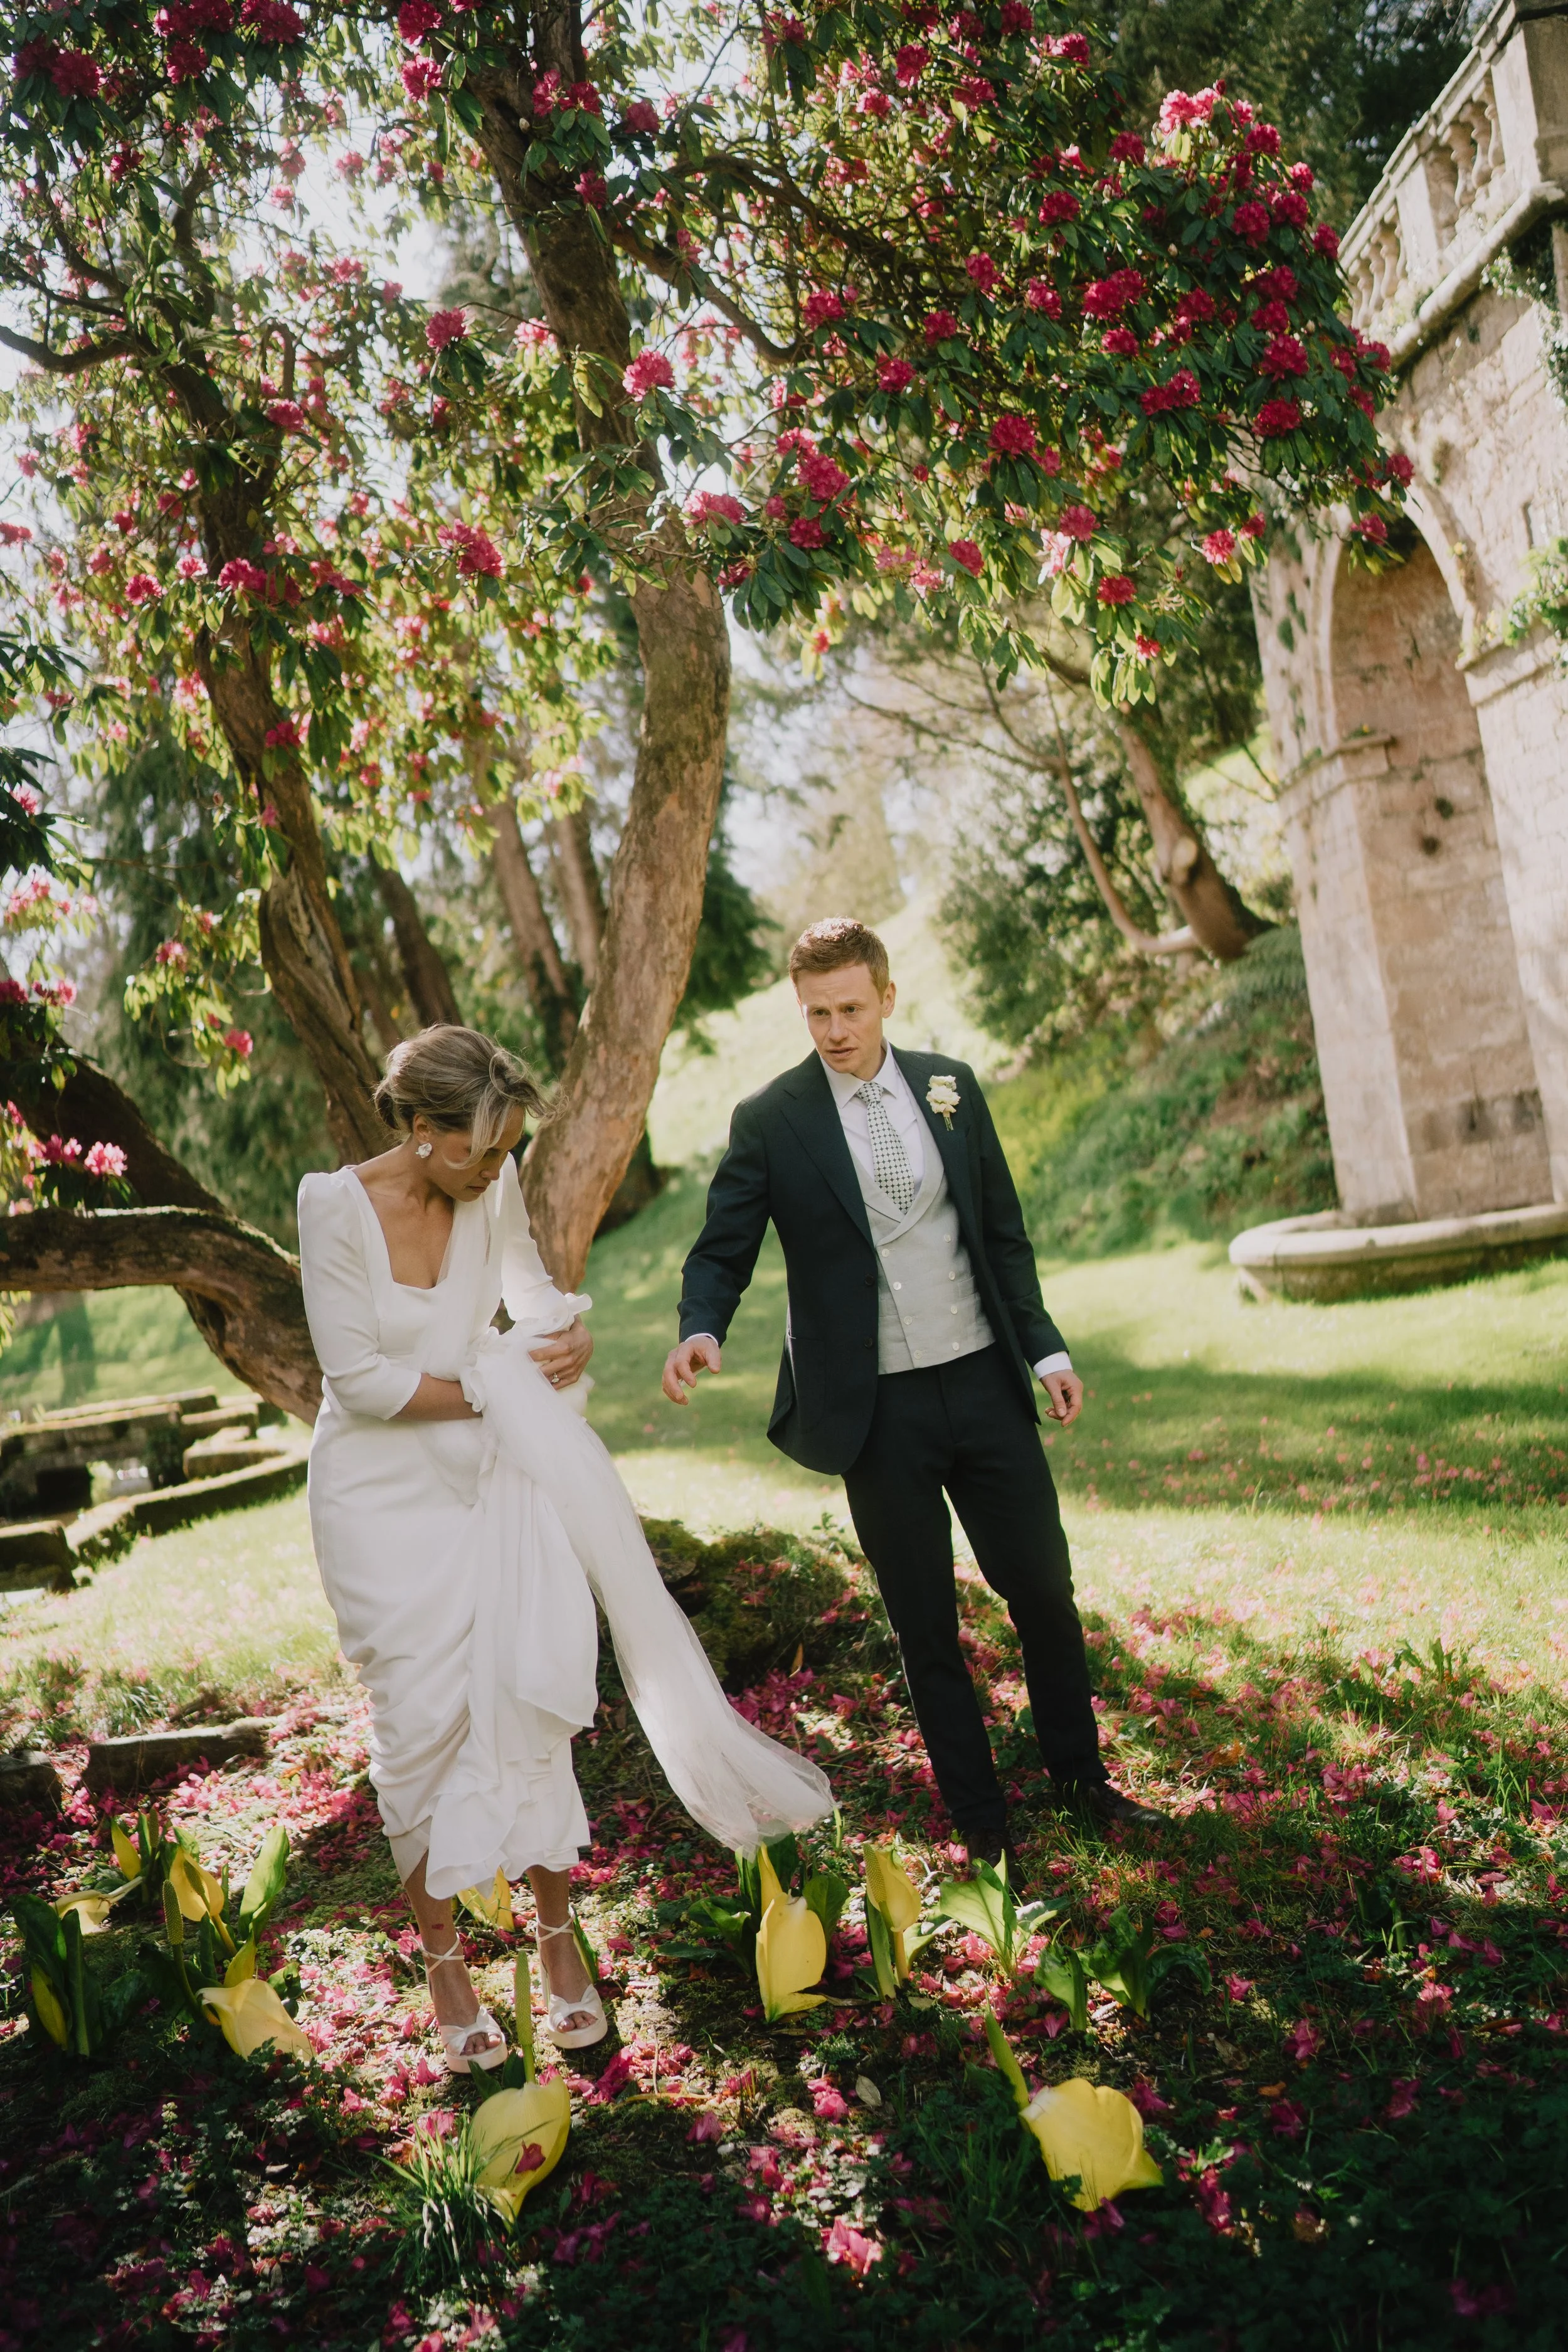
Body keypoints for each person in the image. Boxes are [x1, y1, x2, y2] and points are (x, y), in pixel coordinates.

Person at [299, 1025, 832, 2076]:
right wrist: (496, 1387)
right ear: (420, 1130)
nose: (501, 1172)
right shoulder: (334, 1206)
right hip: (378, 1500)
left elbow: (531, 1291)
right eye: (483, 1152)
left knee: (527, 1695)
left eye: (509, 1153)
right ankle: (446, 1966)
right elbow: (357, 1378)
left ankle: (554, 1938)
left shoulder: (490, 1185)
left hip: (491, 1480)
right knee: (415, 1728)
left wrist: (562, 1332)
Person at [663, 919, 1162, 1877]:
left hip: (981, 1378)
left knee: (1044, 1591)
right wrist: (701, 1327)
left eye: (851, 1008)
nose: (835, 1029)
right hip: (874, 1412)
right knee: (925, 1622)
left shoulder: (952, 1086)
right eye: (817, 1012)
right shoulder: (773, 1118)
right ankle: (981, 1817)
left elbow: (1002, 1233)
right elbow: (724, 1245)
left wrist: (1044, 1346)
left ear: (887, 997)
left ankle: (1080, 1776)